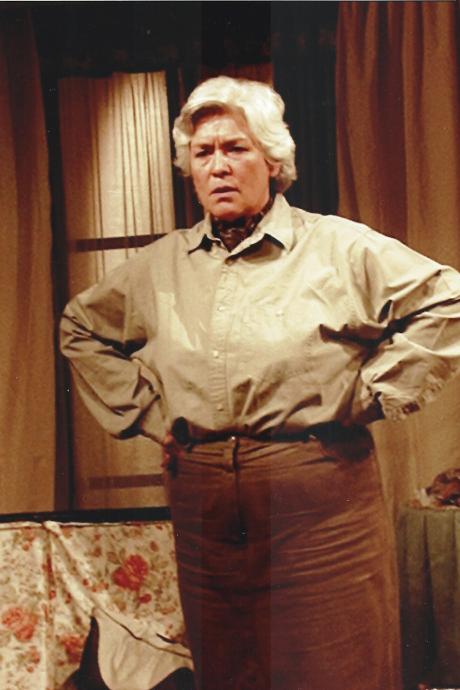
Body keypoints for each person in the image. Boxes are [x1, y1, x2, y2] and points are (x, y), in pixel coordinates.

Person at [60, 76, 460, 690]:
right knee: (229, 671)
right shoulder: (161, 265)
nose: (218, 166)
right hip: (204, 505)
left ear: (273, 160)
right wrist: (152, 416)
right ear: (189, 170)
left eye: (236, 148)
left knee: (337, 669)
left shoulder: (335, 247)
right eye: (203, 152)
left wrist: (374, 392)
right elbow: (81, 327)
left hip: (318, 498)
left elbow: (447, 302)